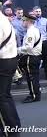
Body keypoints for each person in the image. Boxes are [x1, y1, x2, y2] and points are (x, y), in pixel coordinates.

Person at [0, 8, 21, 137]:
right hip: (9, 60)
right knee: (5, 96)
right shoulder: (4, 19)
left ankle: (9, 131)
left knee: (1, 97)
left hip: (3, 61)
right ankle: (14, 127)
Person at [18, 14, 43, 103]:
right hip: (35, 57)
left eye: (23, 21)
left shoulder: (30, 32)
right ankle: (36, 93)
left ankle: (34, 96)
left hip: (31, 57)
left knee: (31, 78)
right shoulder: (35, 30)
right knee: (34, 77)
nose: (22, 22)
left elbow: (28, 47)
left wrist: (18, 50)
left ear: (28, 21)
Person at [33, 6, 47, 81]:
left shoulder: (45, 20)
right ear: (33, 12)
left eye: (39, 11)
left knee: (46, 59)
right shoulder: (31, 21)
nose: (38, 13)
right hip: (35, 43)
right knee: (35, 60)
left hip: (44, 42)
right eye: (36, 11)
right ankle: (36, 76)